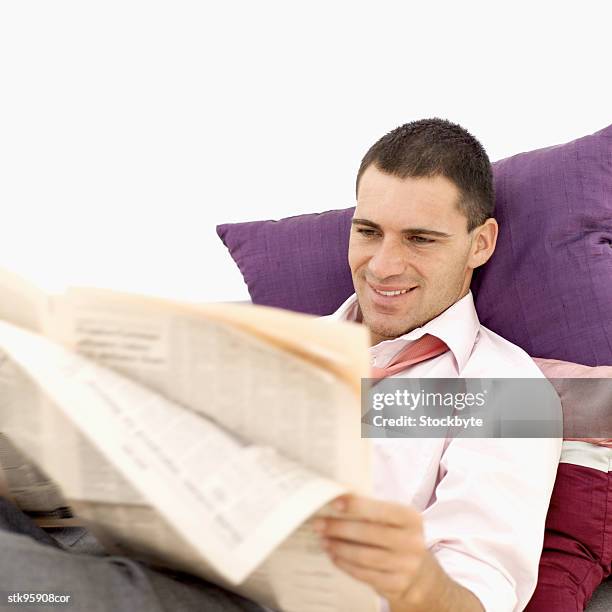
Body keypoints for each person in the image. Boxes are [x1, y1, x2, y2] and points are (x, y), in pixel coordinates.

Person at [0, 118, 561, 612]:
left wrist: (416, 581)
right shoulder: (283, 346)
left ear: (481, 242)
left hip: (264, 603)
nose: (383, 266)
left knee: (18, 578)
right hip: (138, 557)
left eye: (420, 239)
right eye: (368, 232)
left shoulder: (507, 390)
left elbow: (480, 596)